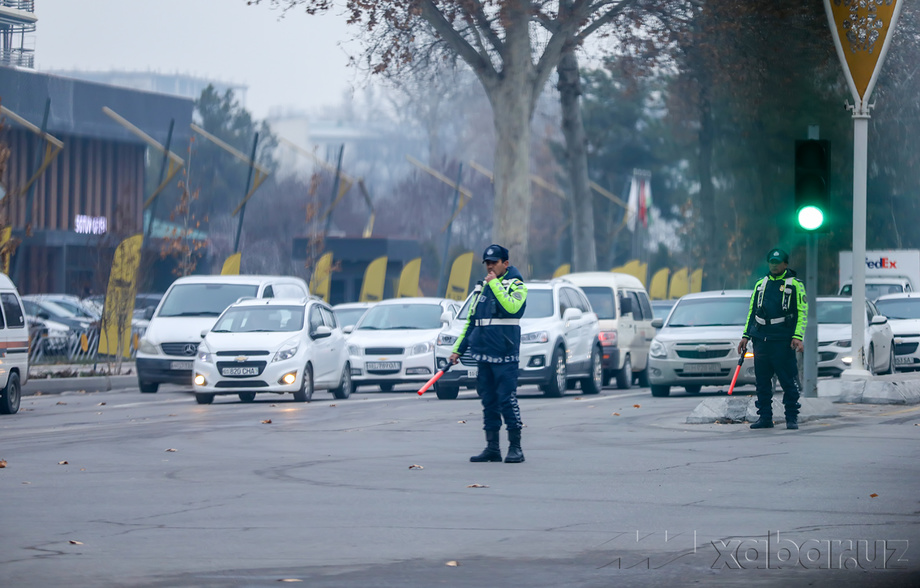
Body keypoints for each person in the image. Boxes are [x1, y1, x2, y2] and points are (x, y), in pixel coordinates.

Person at [449, 244, 528, 463]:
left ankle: (516, 447)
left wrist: (495, 285)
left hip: (505, 355)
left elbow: (512, 308)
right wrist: (458, 350)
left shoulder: (517, 285)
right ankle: (492, 447)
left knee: (507, 400)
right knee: (488, 401)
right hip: (484, 355)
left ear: (506, 263)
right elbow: (472, 322)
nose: (490, 267)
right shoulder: (481, 289)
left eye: (494, 262)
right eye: (487, 263)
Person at [738, 247, 807, 430]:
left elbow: (802, 312)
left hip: (783, 340)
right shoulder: (761, 284)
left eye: (778, 262)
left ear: (785, 264)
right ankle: (765, 418)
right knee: (762, 382)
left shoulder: (795, 284)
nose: (774, 265)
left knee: (787, 381)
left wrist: (797, 336)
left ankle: (791, 417)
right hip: (761, 340)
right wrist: (746, 336)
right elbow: (752, 312)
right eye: (771, 262)